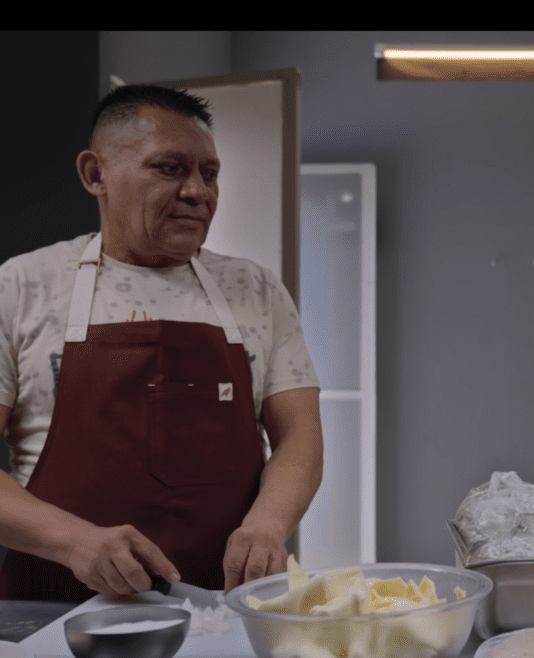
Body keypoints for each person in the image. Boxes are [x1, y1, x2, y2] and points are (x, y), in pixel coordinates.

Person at [0, 85, 324, 601]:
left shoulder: (256, 290)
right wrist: (74, 542)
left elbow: (299, 438)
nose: (198, 192)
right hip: (56, 610)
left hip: (225, 607)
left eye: (209, 174)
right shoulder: (22, 286)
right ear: (95, 174)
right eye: (169, 168)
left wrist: (267, 524)